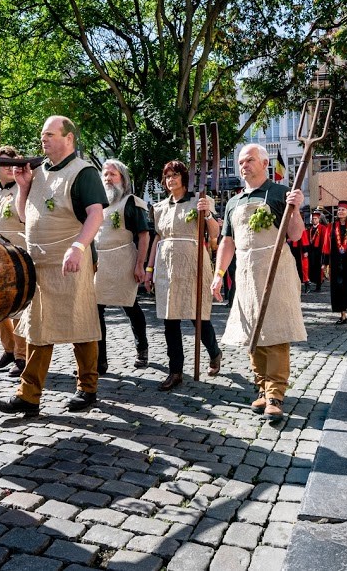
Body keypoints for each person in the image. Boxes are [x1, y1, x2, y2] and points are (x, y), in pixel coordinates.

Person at [0, 116, 107, 416]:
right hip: (39, 264)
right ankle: (28, 395)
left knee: (80, 323)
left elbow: (96, 215)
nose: (43, 139)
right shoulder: (38, 172)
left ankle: (87, 388)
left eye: (50, 134)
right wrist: (24, 186)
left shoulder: (83, 172)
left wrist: (79, 247)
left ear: (68, 138)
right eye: (42, 134)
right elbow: (24, 216)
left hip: (71, 260)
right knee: (37, 328)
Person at [211, 144, 306, 422]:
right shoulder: (233, 202)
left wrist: (296, 208)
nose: (244, 165)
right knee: (252, 332)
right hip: (246, 273)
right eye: (241, 161)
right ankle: (262, 387)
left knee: (274, 330)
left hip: (276, 270)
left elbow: (297, 234)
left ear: (265, 163)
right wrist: (218, 275)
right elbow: (226, 243)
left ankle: (276, 394)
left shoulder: (280, 193)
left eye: (250, 160)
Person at [144, 160, 222, 391]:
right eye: (167, 176)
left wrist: (206, 213)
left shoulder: (198, 201)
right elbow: (157, 239)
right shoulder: (159, 208)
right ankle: (175, 371)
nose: (171, 180)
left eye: (175, 175)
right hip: (167, 267)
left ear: (184, 178)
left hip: (192, 265)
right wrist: (149, 270)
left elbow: (215, 232)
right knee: (170, 320)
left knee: (197, 317)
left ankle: (214, 351)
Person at [95, 158, 151, 373]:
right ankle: (100, 360)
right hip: (101, 263)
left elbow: (144, 236)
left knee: (130, 306)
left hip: (123, 260)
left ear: (123, 179)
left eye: (113, 175)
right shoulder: (98, 204)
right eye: (105, 175)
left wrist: (140, 265)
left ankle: (142, 349)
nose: (108, 179)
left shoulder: (131, 202)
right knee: (96, 310)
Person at [0, 146, 29, 378]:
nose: (10, 168)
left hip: (17, 256)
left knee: (19, 308)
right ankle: (9, 350)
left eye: (13, 163)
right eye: (4, 164)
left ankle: (22, 356)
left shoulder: (24, 189)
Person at [307, 209, 327, 292]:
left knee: (319, 268)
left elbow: (324, 240)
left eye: (316, 219)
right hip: (312, 251)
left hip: (319, 251)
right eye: (313, 219)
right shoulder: (310, 229)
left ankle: (318, 286)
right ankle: (313, 283)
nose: (314, 220)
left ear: (319, 219)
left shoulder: (322, 228)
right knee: (312, 267)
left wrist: (323, 250)